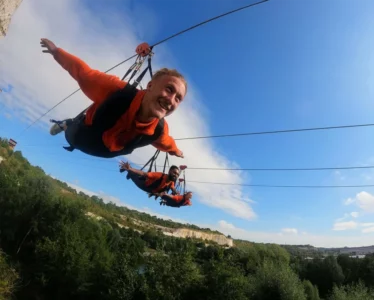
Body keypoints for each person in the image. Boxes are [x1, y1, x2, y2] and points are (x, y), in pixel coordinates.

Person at [40, 38, 186, 158]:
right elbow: (84, 74)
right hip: (82, 135)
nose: (171, 100)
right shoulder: (118, 91)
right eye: (169, 89)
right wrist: (56, 52)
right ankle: (66, 124)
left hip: (106, 151)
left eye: (178, 99)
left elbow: (166, 143)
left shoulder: (159, 129)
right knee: (70, 134)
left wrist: (176, 151)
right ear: (150, 86)